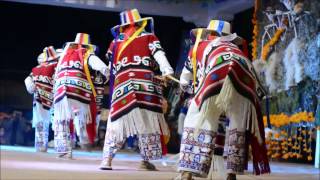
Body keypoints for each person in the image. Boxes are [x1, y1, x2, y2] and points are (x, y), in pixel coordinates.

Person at [175, 20, 270, 180]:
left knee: (198, 117)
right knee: (238, 124)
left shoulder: (200, 47)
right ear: (230, 38)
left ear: (208, 34)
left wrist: (186, 88)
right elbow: (256, 83)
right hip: (243, 82)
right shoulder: (238, 51)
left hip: (216, 76)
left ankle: (187, 172)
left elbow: (185, 79)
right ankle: (232, 173)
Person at [100, 9, 173, 170]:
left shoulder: (116, 41)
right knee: (148, 122)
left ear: (123, 26)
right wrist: (167, 71)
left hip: (122, 84)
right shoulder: (149, 36)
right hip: (145, 84)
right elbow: (159, 54)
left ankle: (107, 160)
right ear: (141, 23)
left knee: (116, 123)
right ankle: (145, 161)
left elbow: (111, 64)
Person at [53, 33, 109, 158]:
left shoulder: (63, 56)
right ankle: (84, 141)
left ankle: (64, 149)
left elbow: (56, 74)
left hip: (61, 89)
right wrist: (107, 75)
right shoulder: (87, 53)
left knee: (63, 119)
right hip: (78, 90)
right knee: (81, 117)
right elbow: (101, 66)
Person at [24, 46, 60, 152]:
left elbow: (28, 81)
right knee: (58, 122)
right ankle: (61, 146)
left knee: (41, 122)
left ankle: (41, 146)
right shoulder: (57, 66)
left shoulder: (36, 69)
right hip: (55, 98)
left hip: (40, 98)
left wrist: (31, 87)